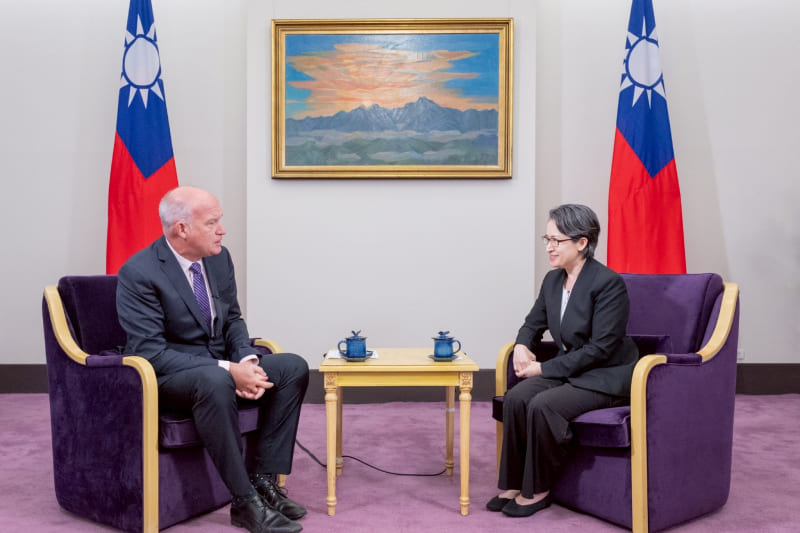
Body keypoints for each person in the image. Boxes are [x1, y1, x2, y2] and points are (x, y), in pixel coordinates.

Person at [116, 186, 309, 533]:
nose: (222, 230)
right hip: (170, 375)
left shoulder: (219, 258)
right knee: (215, 379)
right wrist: (229, 370)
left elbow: (232, 318)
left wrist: (247, 360)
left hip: (221, 366)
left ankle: (264, 481)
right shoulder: (140, 273)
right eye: (212, 223)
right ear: (182, 229)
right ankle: (244, 501)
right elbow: (150, 353)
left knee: (292, 366)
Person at [487, 204, 638, 518]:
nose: (549, 247)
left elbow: (600, 349)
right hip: (572, 367)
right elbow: (532, 324)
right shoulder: (553, 281)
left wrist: (543, 367)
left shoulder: (608, 283)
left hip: (606, 374)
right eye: (547, 239)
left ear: (582, 243)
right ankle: (514, 482)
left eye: (557, 240)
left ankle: (539, 488)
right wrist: (521, 346)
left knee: (544, 405)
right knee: (516, 398)